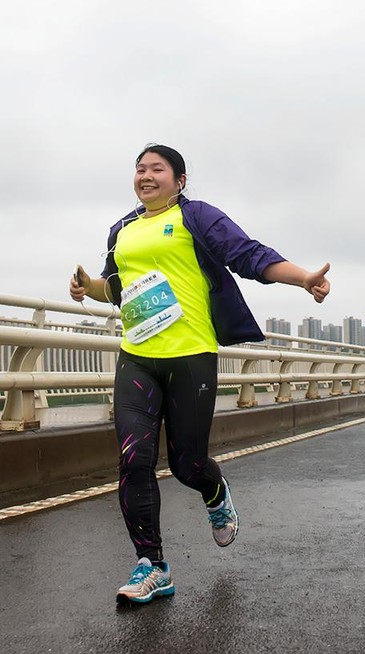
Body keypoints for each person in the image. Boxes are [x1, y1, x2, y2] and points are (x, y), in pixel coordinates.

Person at [68, 144, 331, 605]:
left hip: (191, 354)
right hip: (137, 356)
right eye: (140, 169)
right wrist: (86, 287)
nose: (145, 176)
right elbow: (118, 287)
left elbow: (248, 254)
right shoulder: (122, 230)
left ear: (180, 180)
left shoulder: (198, 217)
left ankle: (215, 490)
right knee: (133, 460)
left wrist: (302, 277)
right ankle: (152, 565)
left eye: (157, 169)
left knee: (188, 464)